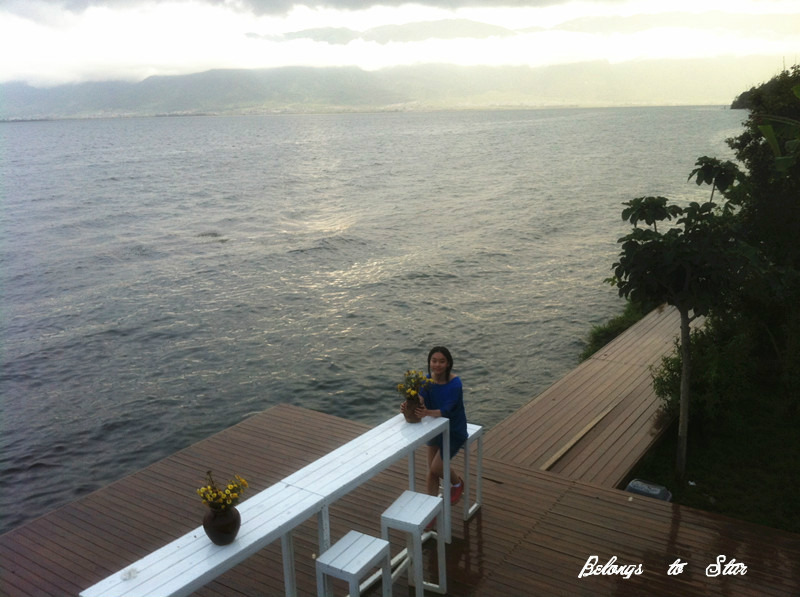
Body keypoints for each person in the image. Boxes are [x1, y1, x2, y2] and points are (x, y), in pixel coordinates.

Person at [401, 346, 467, 505]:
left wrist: (426, 412)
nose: (437, 365)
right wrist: (409, 404)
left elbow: (448, 410)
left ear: (448, 363)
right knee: (431, 471)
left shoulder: (455, 384)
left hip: (453, 430)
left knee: (437, 467)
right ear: (429, 362)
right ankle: (430, 509)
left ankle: (458, 483)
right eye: (434, 361)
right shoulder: (426, 381)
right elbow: (421, 398)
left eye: (441, 361)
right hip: (434, 429)